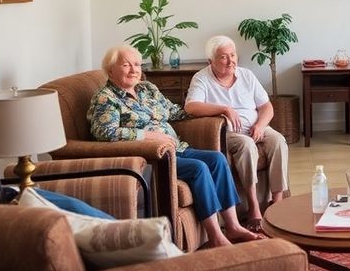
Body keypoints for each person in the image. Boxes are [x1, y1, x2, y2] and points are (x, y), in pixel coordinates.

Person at [88, 45, 263, 248]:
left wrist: (215, 110)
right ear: (110, 70)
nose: (133, 70)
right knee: (198, 168)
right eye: (126, 65)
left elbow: (175, 112)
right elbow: (103, 132)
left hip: (177, 147)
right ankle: (215, 236)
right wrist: (147, 135)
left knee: (217, 159)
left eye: (136, 64)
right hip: (152, 156)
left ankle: (232, 226)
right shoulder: (106, 98)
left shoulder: (147, 89)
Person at [183, 35, 289, 233]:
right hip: (229, 132)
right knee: (247, 146)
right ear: (210, 61)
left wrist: (259, 125)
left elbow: (267, 107)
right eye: (224, 57)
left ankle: (277, 203)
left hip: (256, 126)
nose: (231, 61)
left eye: (233, 55)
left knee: (278, 141)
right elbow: (191, 107)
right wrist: (224, 109)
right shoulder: (201, 78)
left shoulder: (246, 75)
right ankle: (254, 208)